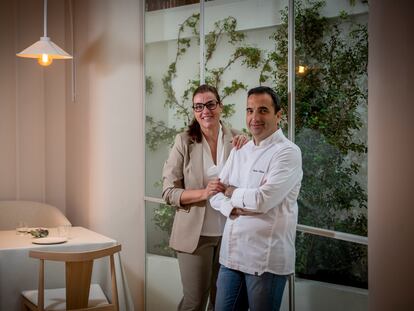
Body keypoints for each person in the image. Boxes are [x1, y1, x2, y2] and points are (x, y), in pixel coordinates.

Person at [210, 86, 303, 311]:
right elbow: (214, 194)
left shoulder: (287, 152)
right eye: (250, 110)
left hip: (265, 260)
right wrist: (232, 208)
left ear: (278, 115)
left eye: (263, 110)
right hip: (231, 257)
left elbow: (263, 200)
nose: (254, 118)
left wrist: (231, 191)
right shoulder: (240, 149)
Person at [162, 84, 247, 311]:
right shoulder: (184, 142)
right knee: (195, 302)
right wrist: (204, 192)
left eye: (210, 104)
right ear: (194, 111)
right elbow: (169, 192)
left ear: (220, 106)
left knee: (222, 303)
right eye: (199, 106)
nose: (205, 111)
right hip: (195, 237)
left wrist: (250, 148)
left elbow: (251, 181)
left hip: (230, 235)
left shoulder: (239, 139)